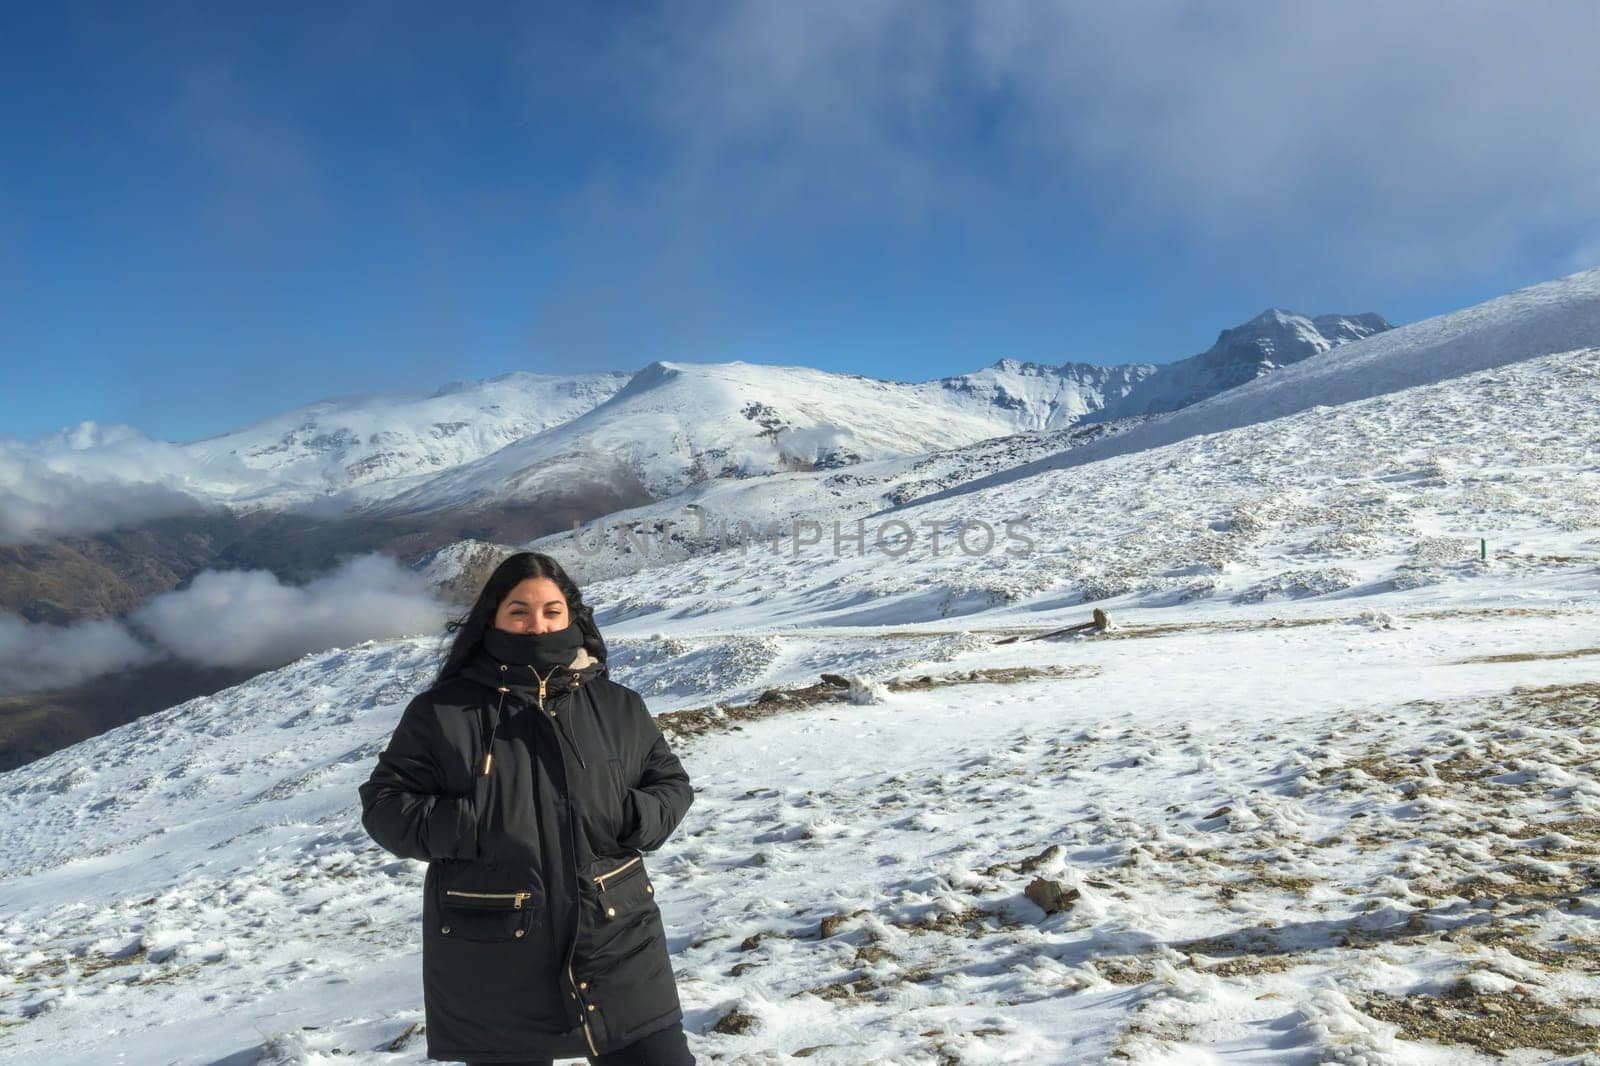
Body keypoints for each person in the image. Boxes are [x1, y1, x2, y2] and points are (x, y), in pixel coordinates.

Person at [359, 551, 697, 1065]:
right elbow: (385, 804)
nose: (536, 625)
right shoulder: (443, 712)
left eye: (551, 611)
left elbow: (669, 783)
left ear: (572, 616)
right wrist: (471, 827)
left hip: (616, 939)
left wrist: (628, 817)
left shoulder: (616, 704)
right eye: (519, 610)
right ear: (492, 615)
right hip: (493, 951)